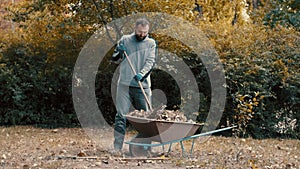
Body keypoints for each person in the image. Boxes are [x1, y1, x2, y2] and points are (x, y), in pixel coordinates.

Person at [111, 18, 157, 154]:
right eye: (140, 32)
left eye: (145, 32)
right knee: (121, 116)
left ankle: (145, 148)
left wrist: (141, 74)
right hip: (124, 85)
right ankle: (117, 148)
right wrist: (118, 51)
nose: (142, 34)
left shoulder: (151, 43)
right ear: (135, 29)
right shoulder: (125, 39)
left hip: (142, 85)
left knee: (147, 119)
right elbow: (114, 59)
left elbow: (151, 62)